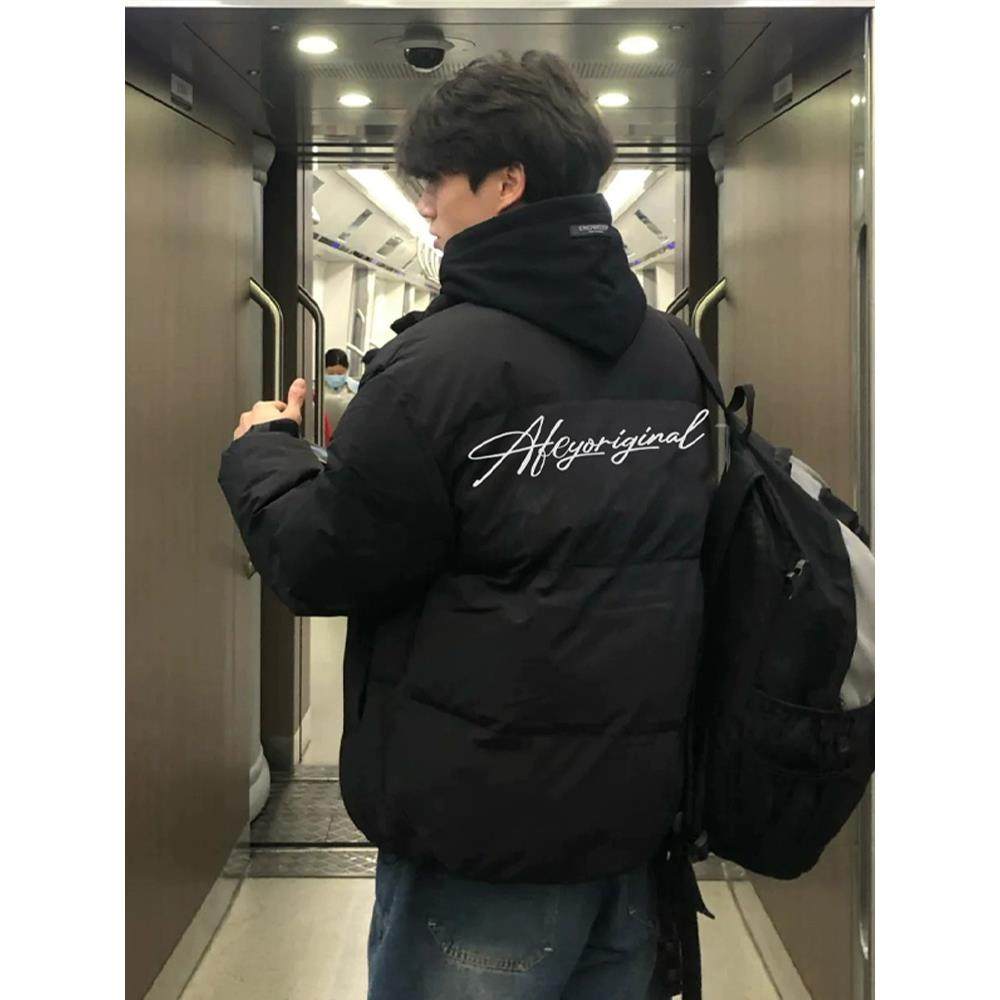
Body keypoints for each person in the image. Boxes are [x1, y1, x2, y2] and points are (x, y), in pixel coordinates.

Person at [219, 50, 716, 1000]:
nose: (425, 207)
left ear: (507, 182)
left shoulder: (434, 370)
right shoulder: (674, 356)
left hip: (483, 839)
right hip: (634, 831)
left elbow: (324, 562)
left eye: (437, 182)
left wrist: (264, 453)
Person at [322, 347, 357, 444]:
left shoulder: (355, 388)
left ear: (346, 370)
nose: (335, 376)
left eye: (340, 373)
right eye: (331, 373)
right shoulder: (317, 389)